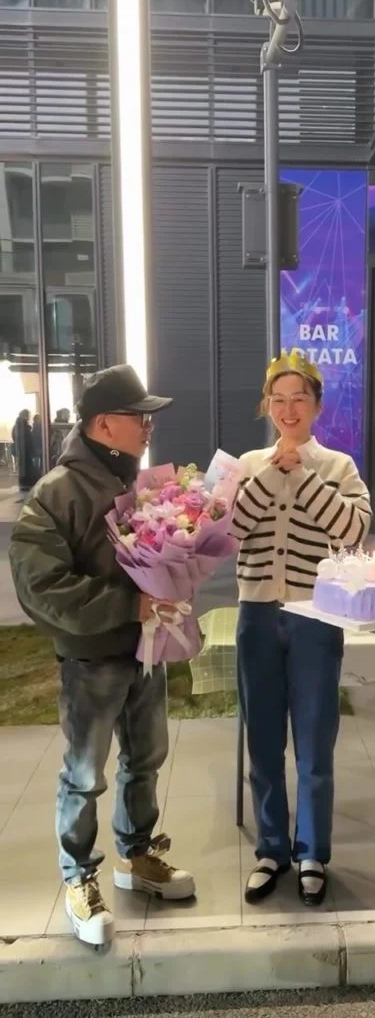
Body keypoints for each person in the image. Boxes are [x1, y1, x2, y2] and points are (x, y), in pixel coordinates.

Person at [9, 365, 196, 948]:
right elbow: (41, 588)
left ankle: (137, 856)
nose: (148, 426)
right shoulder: (57, 492)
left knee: (147, 759)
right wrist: (127, 605)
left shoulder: (140, 485)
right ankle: (79, 879)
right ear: (103, 424)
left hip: (145, 650)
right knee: (85, 775)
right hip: (92, 659)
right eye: (139, 417)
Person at [231, 349, 372, 907]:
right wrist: (273, 471)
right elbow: (230, 531)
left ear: (317, 405)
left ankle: (312, 852)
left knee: (314, 741)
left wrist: (304, 476)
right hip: (256, 616)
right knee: (263, 739)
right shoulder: (247, 464)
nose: (288, 410)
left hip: (317, 617)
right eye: (278, 399)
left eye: (299, 399)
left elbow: (352, 532)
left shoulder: (339, 466)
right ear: (267, 405)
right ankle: (271, 849)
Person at [11, 408, 36, 495]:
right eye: (28, 415)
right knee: (27, 469)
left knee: (23, 468)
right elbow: (28, 440)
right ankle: (26, 485)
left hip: (22, 451)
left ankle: (24, 485)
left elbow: (14, 437)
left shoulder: (16, 426)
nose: (29, 417)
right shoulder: (23, 426)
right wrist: (32, 450)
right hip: (26, 452)